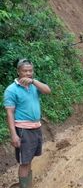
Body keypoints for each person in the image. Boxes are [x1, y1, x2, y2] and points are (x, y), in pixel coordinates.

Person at [4, 58, 51, 188]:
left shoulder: (34, 86)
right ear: (18, 71)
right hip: (23, 130)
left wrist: (34, 81)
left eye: (30, 71)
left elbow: (47, 90)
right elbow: (10, 113)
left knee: (29, 159)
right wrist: (14, 135)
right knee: (24, 162)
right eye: (25, 71)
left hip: (36, 128)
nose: (28, 73)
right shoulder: (11, 90)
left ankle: (27, 185)